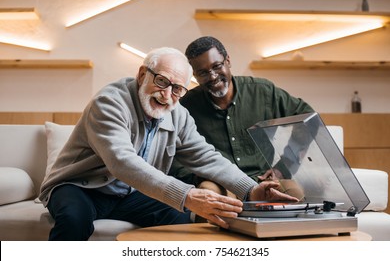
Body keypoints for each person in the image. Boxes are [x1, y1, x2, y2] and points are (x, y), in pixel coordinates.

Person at [39, 47, 298, 241]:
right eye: (162, 81)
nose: (166, 95)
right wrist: (186, 194)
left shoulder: (178, 113)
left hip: (126, 194)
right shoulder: (110, 102)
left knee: (183, 218)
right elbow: (122, 162)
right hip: (79, 187)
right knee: (74, 219)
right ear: (142, 75)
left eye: (177, 89)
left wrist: (252, 190)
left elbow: (206, 157)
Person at [169, 36, 314, 197]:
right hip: (219, 183)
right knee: (208, 194)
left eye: (217, 66)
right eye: (203, 72)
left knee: (294, 194)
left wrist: (284, 167)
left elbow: (308, 119)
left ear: (228, 61)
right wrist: (195, 176)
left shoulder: (263, 91)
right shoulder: (186, 105)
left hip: (263, 180)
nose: (212, 76)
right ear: (194, 75)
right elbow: (171, 150)